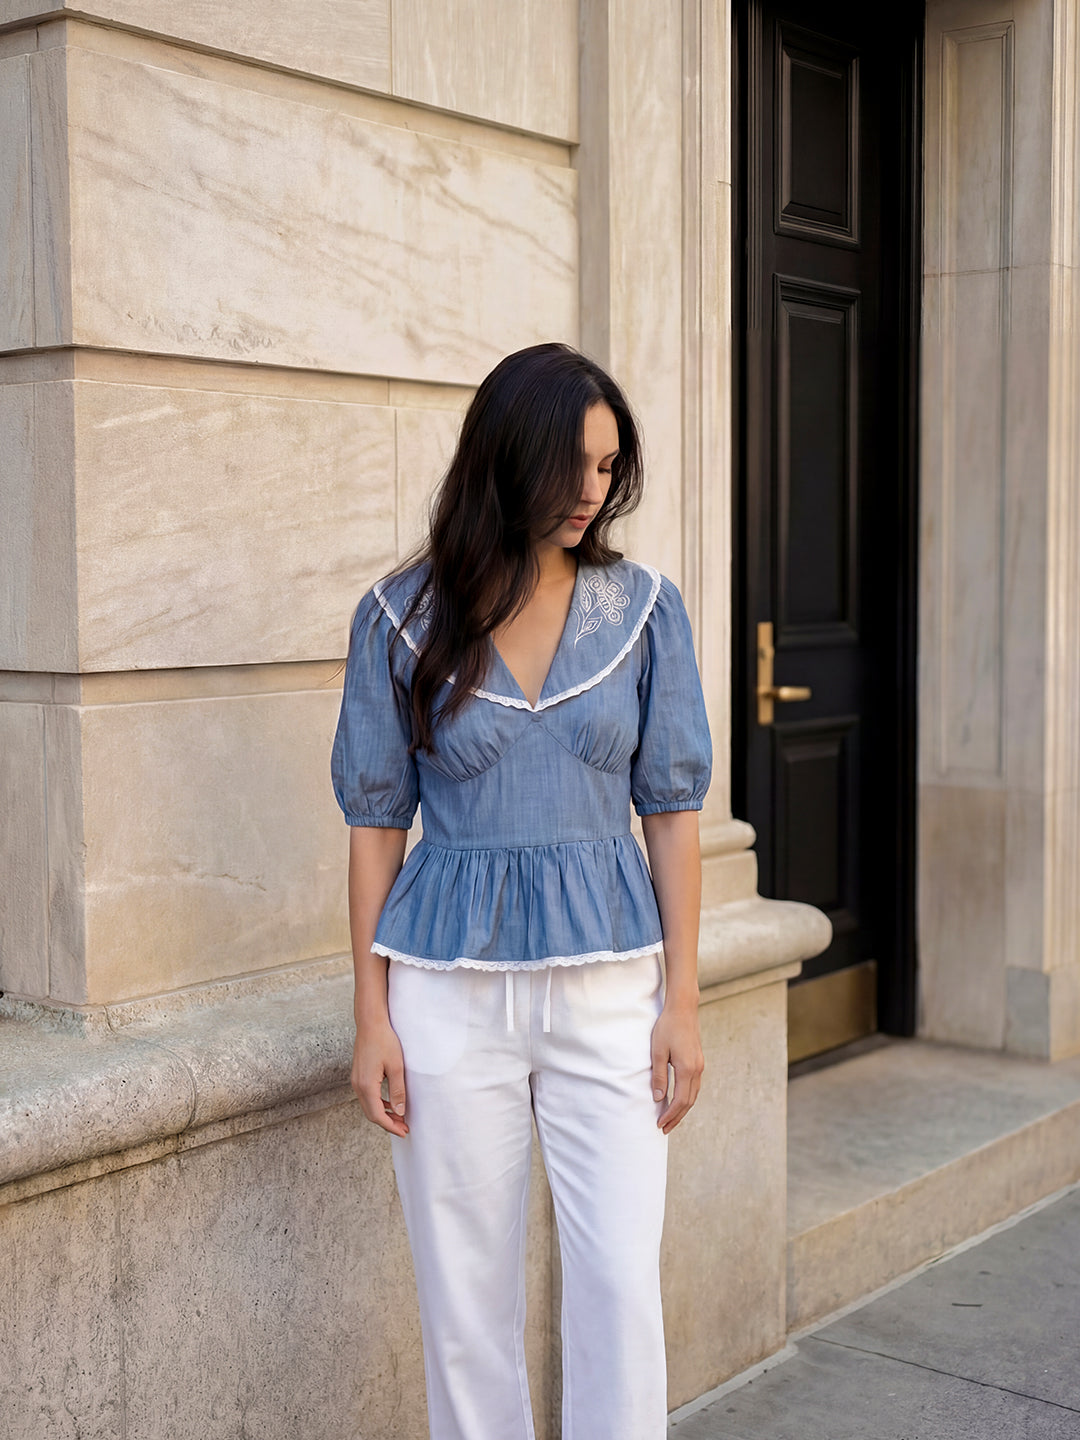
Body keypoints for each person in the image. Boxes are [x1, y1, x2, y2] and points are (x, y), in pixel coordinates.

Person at [331, 342, 712, 1440]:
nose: (594, 492)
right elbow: (373, 830)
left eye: (609, 467)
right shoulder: (399, 617)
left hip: (609, 993)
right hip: (447, 999)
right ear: (510, 459)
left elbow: (673, 814)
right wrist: (371, 1017)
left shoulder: (643, 611)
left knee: (619, 1294)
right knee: (464, 1306)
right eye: (574, 467)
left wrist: (681, 1001)